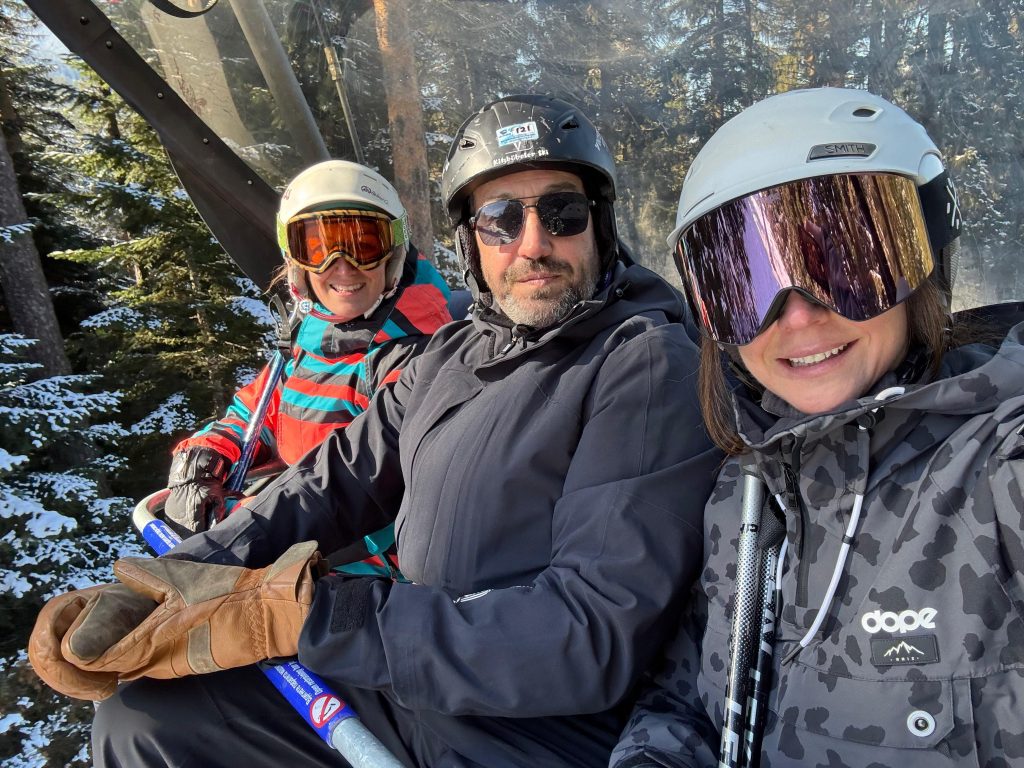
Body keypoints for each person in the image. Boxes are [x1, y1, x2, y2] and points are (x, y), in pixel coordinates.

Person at [28, 94, 720, 768]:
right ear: (471, 243)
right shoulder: (455, 353)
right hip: (415, 687)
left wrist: (306, 616)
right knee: (145, 719)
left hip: (531, 729)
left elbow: (586, 636)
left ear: (600, 224)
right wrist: (170, 582)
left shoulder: (643, 364)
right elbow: (332, 484)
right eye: (501, 219)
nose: (533, 243)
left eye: (562, 213)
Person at [611, 87, 1024, 768]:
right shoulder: (747, 492)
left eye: (843, 262)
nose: (797, 316)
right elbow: (685, 703)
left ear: (923, 263)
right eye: (747, 283)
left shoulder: (995, 466)